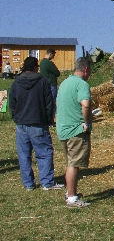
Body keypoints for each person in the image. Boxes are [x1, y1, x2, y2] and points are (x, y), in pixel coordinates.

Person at [9, 56, 63, 191]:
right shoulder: (42, 82)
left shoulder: (16, 83)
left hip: (21, 124)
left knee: (24, 154)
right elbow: (49, 103)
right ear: (35, 67)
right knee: (44, 152)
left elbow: (12, 103)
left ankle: (28, 184)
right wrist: (49, 119)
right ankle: (46, 182)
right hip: (38, 122)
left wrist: (16, 117)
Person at [56, 57, 93, 208]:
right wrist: (87, 122)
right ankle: (72, 197)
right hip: (75, 130)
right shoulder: (82, 84)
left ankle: (70, 192)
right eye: (90, 70)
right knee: (74, 164)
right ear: (85, 69)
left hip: (63, 128)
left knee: (70, 162)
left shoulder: (65, 83)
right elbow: (85, 104)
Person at [39, 48, 60, 118]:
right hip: (51, 84)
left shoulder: (41, 62)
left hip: (44, 84)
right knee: (53, 102)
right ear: (50, 54)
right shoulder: (49, 63)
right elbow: (57, 73)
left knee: (45, 101)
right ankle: (51, 117)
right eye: (53, 55)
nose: (53, 57)